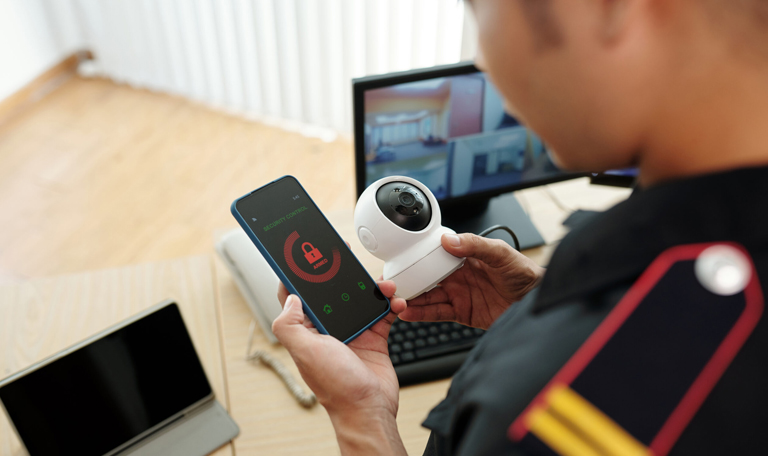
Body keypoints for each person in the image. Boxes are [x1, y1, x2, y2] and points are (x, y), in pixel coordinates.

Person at [273, 0, 768, 454]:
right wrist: (540, 310)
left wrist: (361, 414)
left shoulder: (549, 414)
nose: (484, 61)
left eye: (479, 9)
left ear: (613, 8)